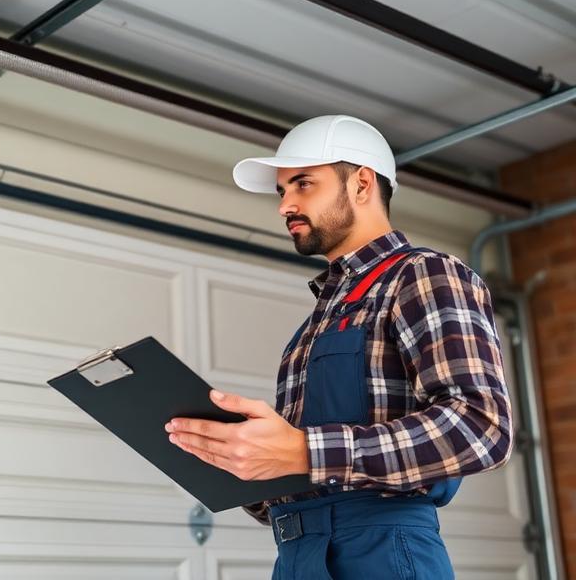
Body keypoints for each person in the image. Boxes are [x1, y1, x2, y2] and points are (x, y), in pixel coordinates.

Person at [164, 115, 513, 579]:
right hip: (298, 553)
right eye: (282, 191)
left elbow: (481, 426)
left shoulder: (423, 275)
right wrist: (237, 457)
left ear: (362, 184)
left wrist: (305, 451)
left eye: (303, 184)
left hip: (381, 551)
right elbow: (306, 470)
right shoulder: (314, 327)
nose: (285, 205)